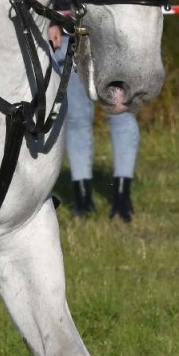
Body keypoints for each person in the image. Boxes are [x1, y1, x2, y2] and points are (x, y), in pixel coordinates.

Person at [50, 26, 138, 221]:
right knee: (76, 119)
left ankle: (122, 199)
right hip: (70, 37)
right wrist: (50, 21)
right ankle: (83, 200)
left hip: (115, 40)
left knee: (121, 113)